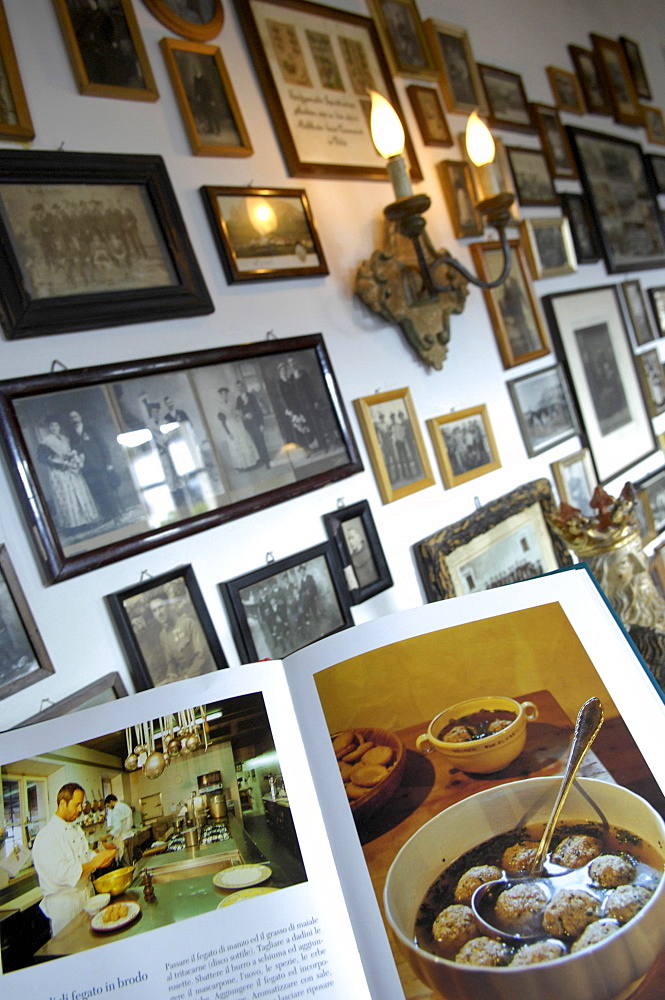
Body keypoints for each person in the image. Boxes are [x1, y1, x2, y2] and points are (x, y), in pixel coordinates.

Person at [32, 783, 116, 937]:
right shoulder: (46, 836)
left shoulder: (75, 828)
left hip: (87, 897)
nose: (80, 810)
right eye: (77, 804)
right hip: (66, 908)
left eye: (81, 804)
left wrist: (98, 858)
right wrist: (94, 863)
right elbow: (61, 873)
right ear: (63, 803)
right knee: (72, 948)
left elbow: (84, 854)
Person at [36, 418, 99, 531]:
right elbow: (41, 458)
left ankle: (87, 520)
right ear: (49, 428)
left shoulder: (65, 438)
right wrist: (58, 464)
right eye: (52, 426)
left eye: (56, 425)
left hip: (71, 470)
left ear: (59, 427)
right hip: (59, 473)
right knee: (67, 497)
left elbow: (71, 451)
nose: (54, 428)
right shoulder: (46, 441)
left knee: (79, 493)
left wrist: (73, 459)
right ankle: (73, 526)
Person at [149, 590, 217, 684]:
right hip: (186, 680)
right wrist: (171, 674)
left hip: (206, 676)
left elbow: (202, 653)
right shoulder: (163, 636)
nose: (159, 613)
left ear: (168, 606)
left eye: (161, 607)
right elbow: (171, 661)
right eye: (154, 611)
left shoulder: (188, 623)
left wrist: (188, 677)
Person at [68, 409, 121, 524]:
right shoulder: (72, 435)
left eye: (75, 416)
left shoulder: (91, 429)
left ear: (80, 417)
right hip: (86, 467)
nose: (74, 419)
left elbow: (103, 446)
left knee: (106, 489)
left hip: (99, 464)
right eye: (71, 418)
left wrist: (108, 463)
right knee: (96, 492)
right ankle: (106, 514)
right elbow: (74, 450)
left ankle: (115, 513)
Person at [104, 794, 133, 866]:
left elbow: (117, 828)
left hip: (123, 839)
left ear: (111, 802)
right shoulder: (125, 806)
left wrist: (106, 836)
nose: (109, 808)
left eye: (108, 806)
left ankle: (129, 876)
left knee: (126, 863)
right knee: (131, 860)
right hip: (130, 835)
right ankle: (133, 874)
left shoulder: (116, 811)